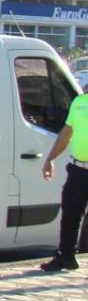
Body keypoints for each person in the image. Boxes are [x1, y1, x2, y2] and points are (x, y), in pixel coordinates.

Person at [39, 92, 88, 271]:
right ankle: (66, 257)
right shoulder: (80, 102)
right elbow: (67, 132)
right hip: (78, 170)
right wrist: (50, 159)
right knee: (70, 214)